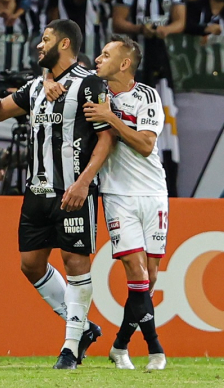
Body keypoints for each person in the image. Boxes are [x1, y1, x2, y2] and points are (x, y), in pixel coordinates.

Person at [0, 18, 113, 370]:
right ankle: (83, 328)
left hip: (73, 191)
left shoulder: (90, 84)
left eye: (46, 39)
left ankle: (69, 349)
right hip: (37, 192)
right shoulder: (37, 87)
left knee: (75, 264)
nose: (39, 45)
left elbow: (106, 137)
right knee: (31, 265)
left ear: (65, 44)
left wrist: (84, 182)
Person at [83, 35, 168, 371]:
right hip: (117, 193)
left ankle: (119, 346)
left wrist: (111, 117)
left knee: (150, 277)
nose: (98, 59)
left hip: (153, 191)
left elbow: (146, 145)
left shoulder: (147, 95)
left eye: (105, 55)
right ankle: (155, 349)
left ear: (124, 64)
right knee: (136, 271)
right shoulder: (94, 90)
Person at [113, 0, 184, 197]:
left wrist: (165, 29)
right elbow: (118, 22)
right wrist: (140, 29)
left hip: (164, 61)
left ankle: (165, 178)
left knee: (164, 118)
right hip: (134, 63)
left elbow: (181, 21)